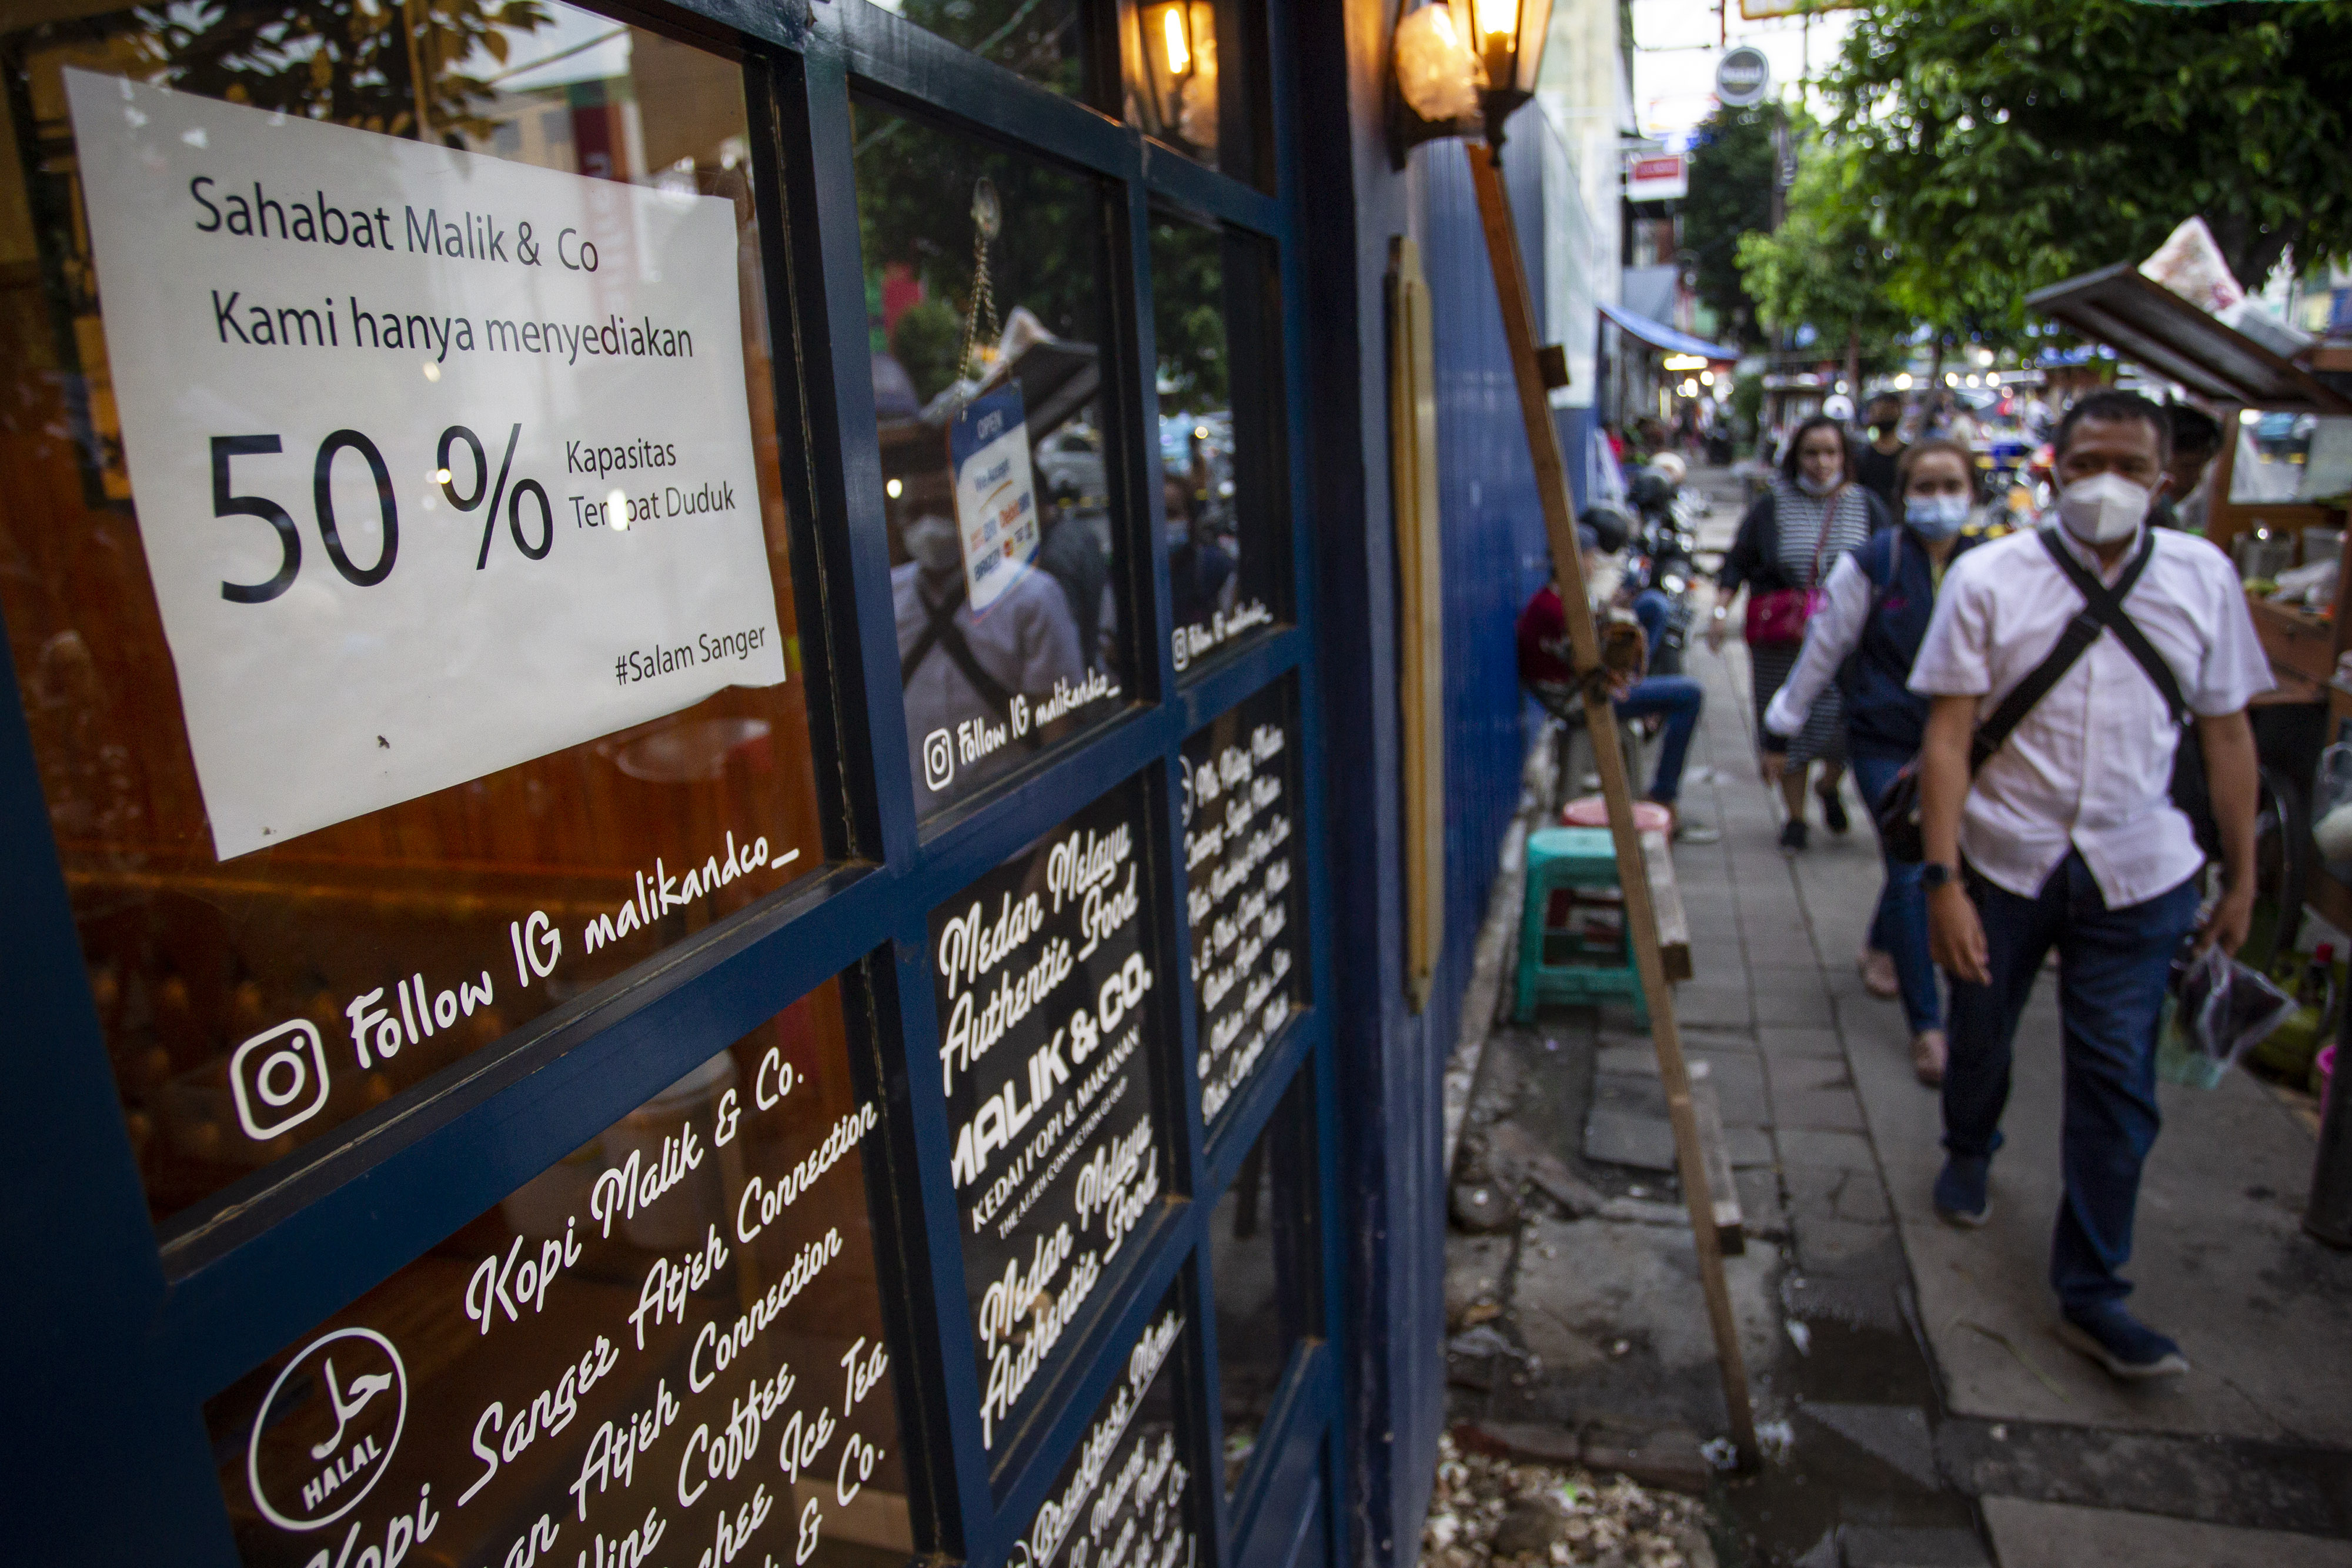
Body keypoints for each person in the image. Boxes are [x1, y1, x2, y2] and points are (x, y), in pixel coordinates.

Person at [1910, 389, 2267, 1381]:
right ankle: (1969, 1142)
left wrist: (2242, 880)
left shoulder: (2204, 578)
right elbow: (1947, 736)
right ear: (2053, 468)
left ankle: (2094, 1290)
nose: (2109, 484)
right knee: (1980, 1025)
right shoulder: (1990, 578)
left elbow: (2228, 733)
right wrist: (1942, 881)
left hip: (2140, 870)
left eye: (2132, 467)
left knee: (2118, 1079)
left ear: (2167, 480)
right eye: (2089, 462)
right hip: (2005, 857)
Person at [1760, 439, 1982, 1084]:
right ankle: (1928, 1025)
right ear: (1902, 495)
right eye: (1926, 487)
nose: (1939, 501)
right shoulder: (1873, 565)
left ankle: (1882, 944)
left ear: (1972, 491)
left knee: (1920, 856)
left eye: (1952, 486)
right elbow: (1822, 651)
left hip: (1969, 746)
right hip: (1887, 739)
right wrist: (1782, 726)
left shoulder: (1993, 565)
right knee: (1917, 866)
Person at [1710, 414, 1892, 850]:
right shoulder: (1772, 505)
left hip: (1851, 641)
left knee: (1847, 727)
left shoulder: (1867, 506)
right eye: (1811, 453)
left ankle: (1829, 785)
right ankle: (1795, 818)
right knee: (1786, 723)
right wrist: (1720, 609)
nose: (1821, 462)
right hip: (1784, 639)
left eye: (1830, 452)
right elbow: (1739, 559)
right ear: (1796, 457)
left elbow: (1891, 565)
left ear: (1844, 457)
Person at [1518, 516, 1717, 841]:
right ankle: (1663, 794)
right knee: (1691, 694)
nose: (1594, 563)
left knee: (1653, 606)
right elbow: (1591, 663)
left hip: (1583, 685)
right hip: (1580, 698)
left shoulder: (1560, 597)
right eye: (1590, 556)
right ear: (1576, 559)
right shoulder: (1557, 608)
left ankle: (1643, 692)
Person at [2150, 402, 2223, 534]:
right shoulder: (2151, 517)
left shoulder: (2167, 514)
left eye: (2201, 467)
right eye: (2187, 467)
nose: (2196, 478)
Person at [1853, 393, 1907, 514]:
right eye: (1881, 411)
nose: (1885, 415)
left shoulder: (1908, 455)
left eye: (1890, 410)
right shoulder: (1862, 456)